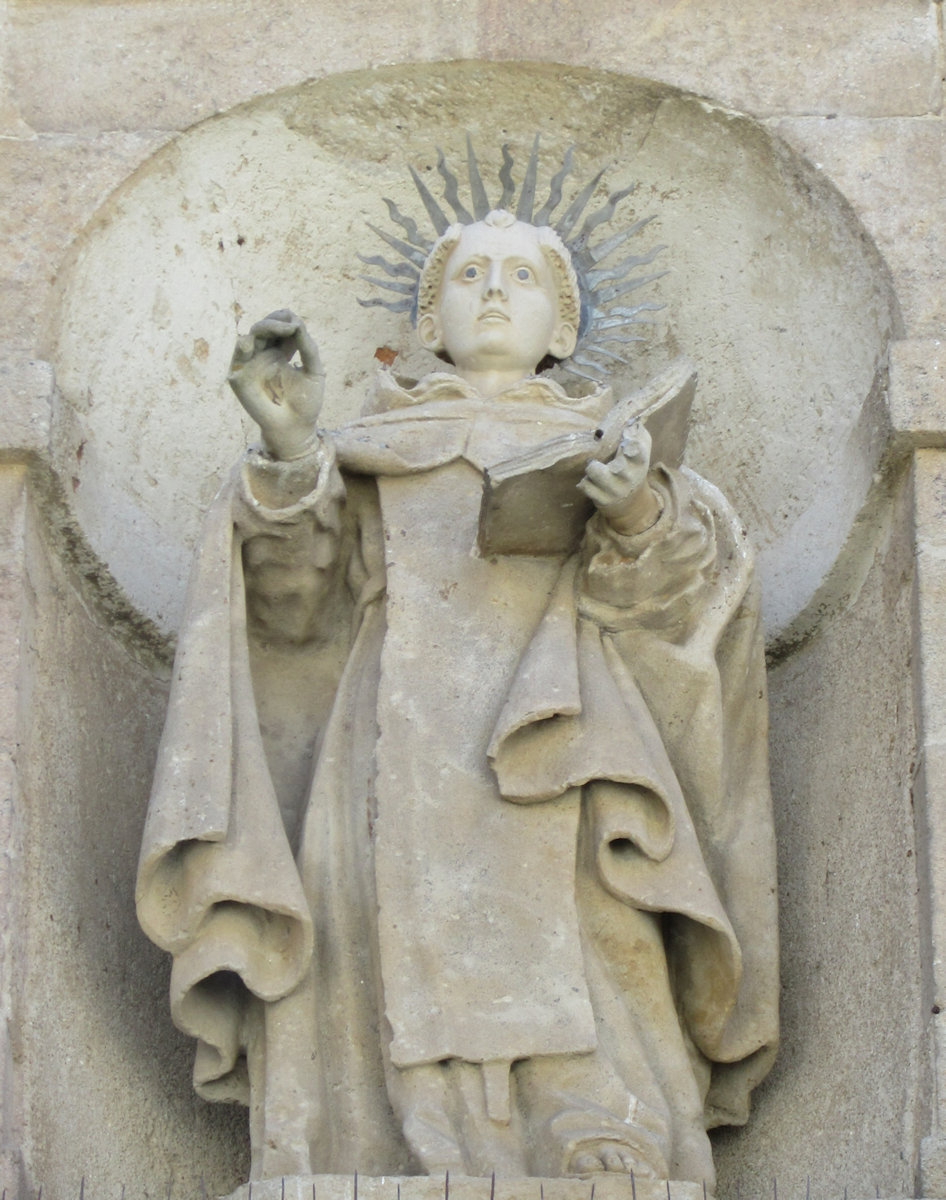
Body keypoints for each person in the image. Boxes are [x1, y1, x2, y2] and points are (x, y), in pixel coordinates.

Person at [137, 197, 778, 1189]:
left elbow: (690, 605)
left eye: (520, 278)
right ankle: (382, 1137)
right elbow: (290, 610)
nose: (492, 295)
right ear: (427, 322)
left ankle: (599, 1123)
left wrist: (639, 511)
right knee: (381, 930)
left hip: (566, 746)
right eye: (468, 277)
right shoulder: (365, 455)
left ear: (562, 328)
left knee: (592, 927)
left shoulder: (607, 446)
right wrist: (287, 454)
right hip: (394, 743)